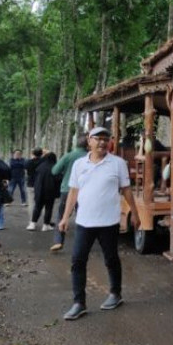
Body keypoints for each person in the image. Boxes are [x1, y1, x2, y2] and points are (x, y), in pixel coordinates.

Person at [58, 127, 140, 320]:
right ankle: (79, 303)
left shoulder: (118, 163)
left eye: (106, 139)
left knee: (111, 259)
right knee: (77, 260)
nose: (102, 142)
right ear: (89, 140)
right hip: (84, 221)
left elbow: (127, 190)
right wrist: (64, 217)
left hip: (109, 221)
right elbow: (73, 192)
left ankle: (115, 293)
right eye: (98, 138)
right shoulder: (79, 164)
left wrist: (135, 214)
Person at [50, 135, 88, 252]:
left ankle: (58, 241)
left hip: (67, 190)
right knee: (83, 217)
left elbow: (54, 170)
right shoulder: (89, 157)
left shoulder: (68, 156)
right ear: (88, 145)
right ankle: (83, 243)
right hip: (85, 191)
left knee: (62, 216)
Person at [27, 151, 58, 232]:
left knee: (37, 207)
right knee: (48, 208)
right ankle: (46, 225)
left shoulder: (40, 166)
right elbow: (58, 179)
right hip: (50, 191)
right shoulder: (55, 167)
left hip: (39, 190)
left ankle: (32, 224)